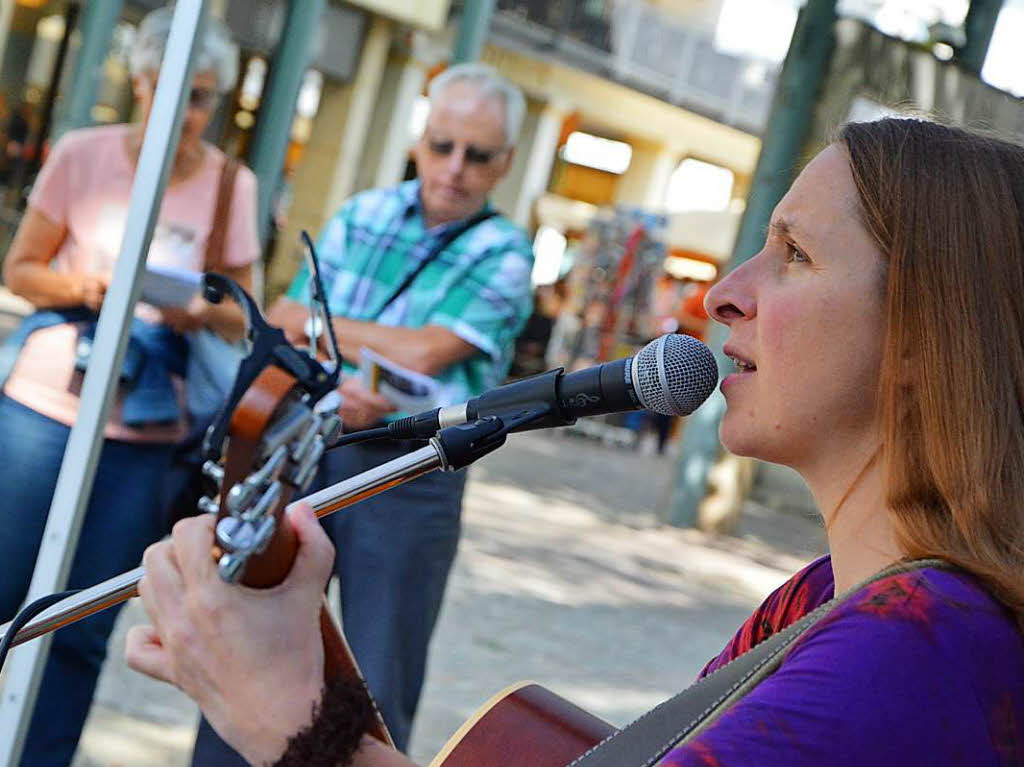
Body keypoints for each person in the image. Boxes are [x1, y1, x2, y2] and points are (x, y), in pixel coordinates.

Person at [128, 117, 1024, 765]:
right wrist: (322, 701)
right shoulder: (839, 597)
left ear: (925, 335)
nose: (722, 294)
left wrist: (301, 731)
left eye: (793, 253)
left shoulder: (915, 649)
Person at [183, 62, 533, 763]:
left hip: (415, 471)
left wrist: (334, 339)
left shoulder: (507, 251)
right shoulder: (364, 212)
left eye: (478, 154)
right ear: (420, 137)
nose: (454, 167)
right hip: (310, 443)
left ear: (507, 164)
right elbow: (281, 317)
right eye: (442, 145)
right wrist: (357, 360)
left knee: (378, 680)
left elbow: (430, 352)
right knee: (250, 638)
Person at [0, 7, 258, 765]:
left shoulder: (228, 187)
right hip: (43, 411)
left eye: (206, 95)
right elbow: (18, 269)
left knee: (78, 632)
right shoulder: (83, 154)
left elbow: (243, 315)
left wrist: (192, 306)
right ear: (145, 82)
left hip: (142, 436)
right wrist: (91, 285)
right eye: (178, 89)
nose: (189, 111)